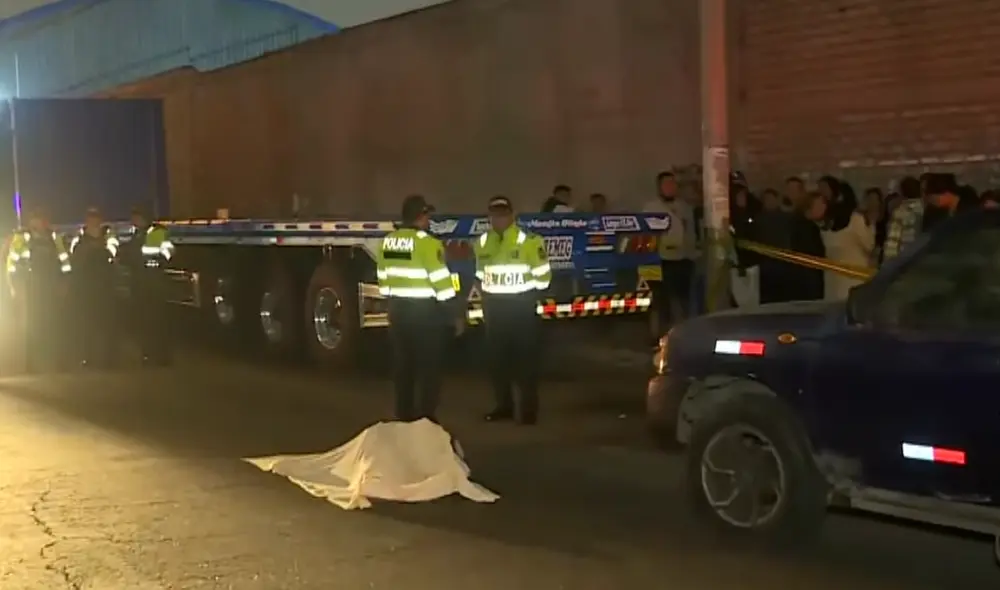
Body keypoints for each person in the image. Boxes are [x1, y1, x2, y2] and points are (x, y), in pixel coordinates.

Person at [376, 195, 457, 422]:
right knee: (429, 368)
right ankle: (426, 418)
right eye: (427, 215)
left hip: (398, 311)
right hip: (425, 314)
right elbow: (441, 282)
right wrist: (451, 308)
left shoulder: (388, 241)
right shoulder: (428, 243)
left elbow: (382, 278)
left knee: (403, 367)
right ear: (420, 217)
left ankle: (404, 414)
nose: (429, 220)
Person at [474, 196, 551, 425]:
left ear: (511, 215)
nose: (498, 219)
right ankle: (503, 407)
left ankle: (528, 412)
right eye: (494, 215)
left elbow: (543, 278)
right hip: (495, 309)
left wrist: (524, 295)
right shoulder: (483, 242)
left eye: (503, 214)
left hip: (521, 308)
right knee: (498, 363)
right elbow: (480, 275)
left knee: (525, 364)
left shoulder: (529, 240)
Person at [5, 208, 71, 371]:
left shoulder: (54, 238)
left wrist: (65, 283)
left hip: (51, 286)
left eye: (40, 219)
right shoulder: (21, 239)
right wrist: (15, 287)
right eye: (34, 219)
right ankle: (31, 364)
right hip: (31, 287)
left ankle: (57, 362)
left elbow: (65, 262)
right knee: (32, 325)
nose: (38, 223)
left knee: (54, 324)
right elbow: (11, 265)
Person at [643, 171, 697, 329]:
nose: (671, 187)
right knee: (659, 301)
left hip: (683, 259)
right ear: (659, 187)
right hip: (658, 260)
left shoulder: (685, 207)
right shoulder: (650, 208)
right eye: (667, 184)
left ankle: (682, 333)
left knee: (682, 300)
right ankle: (658, 335)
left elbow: (691, 232)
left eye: (673, 184)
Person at [121, 207, 174, 366]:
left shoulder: (155, 233)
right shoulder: (139, 234)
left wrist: (131, 257)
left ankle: (159, 355)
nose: (133, 221)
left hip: (153, 284)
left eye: (135, 218)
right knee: (145, 321)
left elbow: (160, 253)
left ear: (142, 218)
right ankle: (150, 354)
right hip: (142, 283)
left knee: (155, 321)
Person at [69, 208, 121, 368]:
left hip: (106, 285)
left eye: (96, 217)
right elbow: (74, 257)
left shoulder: (108, 235)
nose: (93, 221)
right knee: (88, 324)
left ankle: (109, 359)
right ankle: (88, 358)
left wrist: (101, 248)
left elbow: (114, 252)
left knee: (108, 323)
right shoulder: (79, 237)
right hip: (87, 287)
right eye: (91, 218)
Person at [821, 188, 874, 300]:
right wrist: (872, 225)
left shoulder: (827, 224)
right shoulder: (856, 220)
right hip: (853, 279)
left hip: (836, 283)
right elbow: (869, 245)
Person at [786, 192, 826, 301]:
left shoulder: (801, 224)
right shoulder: (807, 228)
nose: (824, 208)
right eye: (820, 204)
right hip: (808, 279)